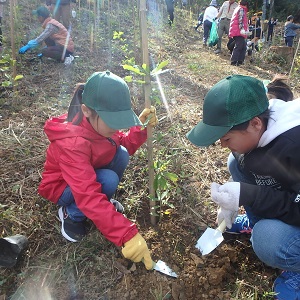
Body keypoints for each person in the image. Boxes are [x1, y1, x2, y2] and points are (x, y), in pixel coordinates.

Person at [186, 74, 300, 300]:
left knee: (267, 240)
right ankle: (257, 220)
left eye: (226, 138)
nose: (221, 145)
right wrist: (236, 194)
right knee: (236, 161)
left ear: (256, 124)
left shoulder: (294, 146)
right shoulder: (260, 127)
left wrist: (251, 195)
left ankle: (296, 268)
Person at [38, 70, 158, 270]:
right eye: (113, 121)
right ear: (86, 111)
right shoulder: (73, 142)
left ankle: (102, 205)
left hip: (87, 173)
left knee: (120, 153)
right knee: (108, 180)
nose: (117, 127)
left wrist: (141, 128)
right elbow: (87, 194)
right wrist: (126, 234)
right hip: (63, 187)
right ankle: (71, 214)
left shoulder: (101, 125)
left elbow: (122, 145)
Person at [228, 0, 249, 66]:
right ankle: (234, 61)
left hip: (236, 30)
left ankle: (240, 61)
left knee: (243, 46)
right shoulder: (241, 9)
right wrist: (242, 29)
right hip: (238, 31)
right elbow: (241, 20)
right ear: (246, 5)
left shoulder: (238, 8)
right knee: (239, 46)